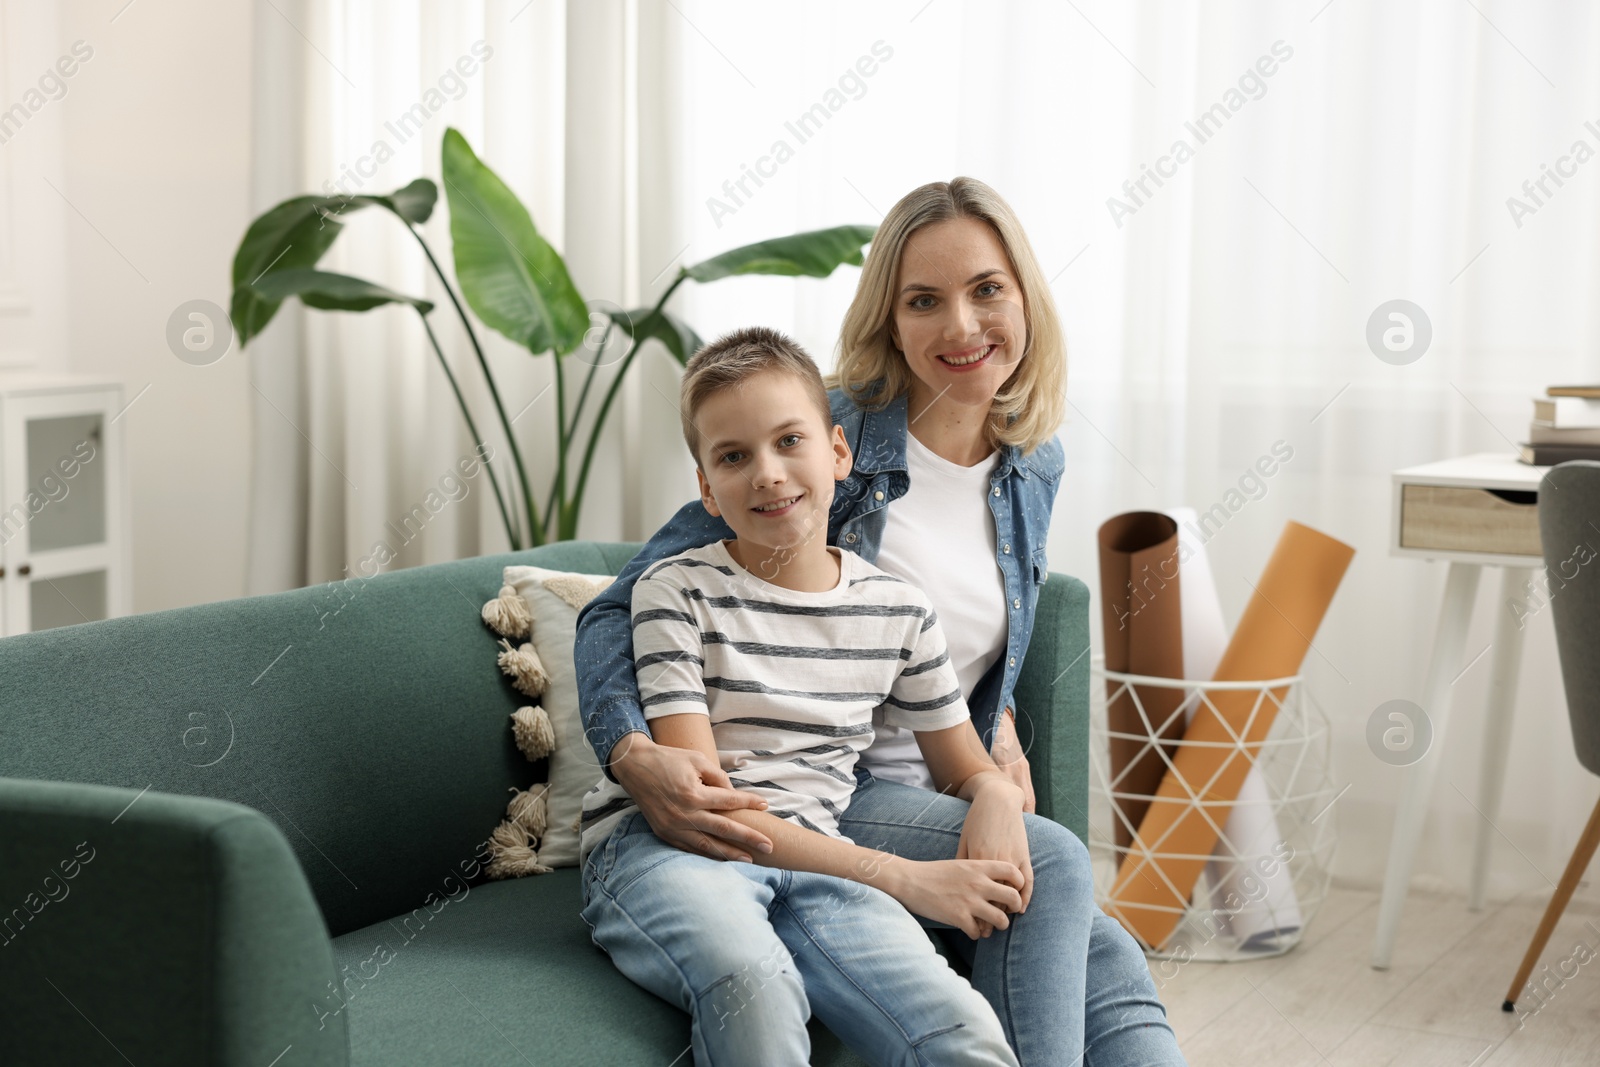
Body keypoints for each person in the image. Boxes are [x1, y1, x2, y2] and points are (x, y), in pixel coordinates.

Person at [576, 178, 1186, 1065]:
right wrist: (636, 754)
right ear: (890, 320)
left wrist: (993, 762)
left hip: (933, 779)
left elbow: (975, 645)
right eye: (924, 301)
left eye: (987, 290)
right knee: (1050, 865)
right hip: (829, 784)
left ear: (1025, 298)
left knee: (1110, 959)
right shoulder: (820, 434)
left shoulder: (1032, 463)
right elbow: (617, 608)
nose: (963, 328)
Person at [578, 326, 1026, 1066]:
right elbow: (712, 815)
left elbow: (965, 767)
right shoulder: (674, 591)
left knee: (961, 1030)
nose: (767, 473)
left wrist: (997, 795)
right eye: (733, 456)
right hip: (667, 850)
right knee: (755, 981)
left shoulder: (899, 610)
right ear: (706, 490)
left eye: (790, 440)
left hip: (818, 859)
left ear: (840, 454)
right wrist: (908, 879)